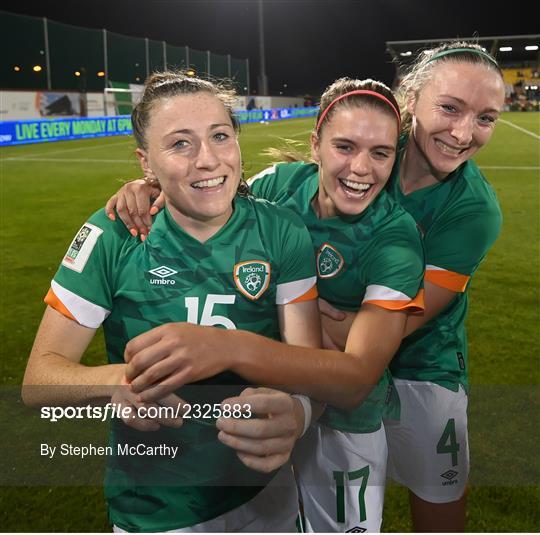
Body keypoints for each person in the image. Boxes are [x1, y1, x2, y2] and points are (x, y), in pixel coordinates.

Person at [103, 77, 426, 532]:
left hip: (346, 419)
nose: (361, 168)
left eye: (381, 153)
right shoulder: (277, 185)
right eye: (345, 146)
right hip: (267, 401)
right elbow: (209, 186)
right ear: (315, 145)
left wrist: (229, 347)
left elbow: (354, 381)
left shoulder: (396, 239)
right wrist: (150, 185)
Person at [22, 71, 329, 533]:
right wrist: (117, 384)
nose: (208, 160)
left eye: (220, 136)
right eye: (180, 144)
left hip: (267, 498)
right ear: (146, 163)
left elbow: (310, 370)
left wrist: (299, 415)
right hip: (154, 510)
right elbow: (38, 380)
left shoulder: (281, 231)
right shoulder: (112, 236)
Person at [321, 42, 505, 532]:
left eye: (486, 118)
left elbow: (386, 331)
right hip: (339, 361)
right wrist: (151, 189)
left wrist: (293, 317)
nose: (464, 133)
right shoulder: (369, 149)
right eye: (449, 108)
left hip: (424, 368)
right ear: (411, 99)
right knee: (342, 515)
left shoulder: (474, 211)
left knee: (437, 504)